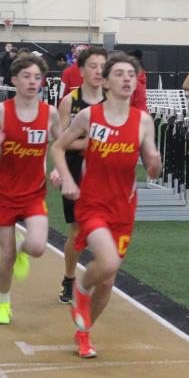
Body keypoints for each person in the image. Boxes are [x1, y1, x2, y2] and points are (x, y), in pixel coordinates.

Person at [51, 52, 162, 358]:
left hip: (123, 208)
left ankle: (84, 332)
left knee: (108, 281)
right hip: (92, 204)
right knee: (109, 263)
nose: (127, 79)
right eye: (120, 74)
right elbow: (58, 147)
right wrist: (67, 179)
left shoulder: (143, 121)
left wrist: (155, 164)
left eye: (131, 75)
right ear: (107, 82)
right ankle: (80, 289)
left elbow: (152, 164)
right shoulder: (89, 116)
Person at [0, 54, 60, 325]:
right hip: (4, 192)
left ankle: (24, 249)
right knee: (7, 256)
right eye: (26, 76)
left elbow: (61, 144)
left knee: (37, 247)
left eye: (37, 77)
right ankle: (3, 302)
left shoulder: (50, 113)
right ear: (14, 80)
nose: (32, 82)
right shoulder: (1, 111)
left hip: (34, 191)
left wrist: (59, 169)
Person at [55, 46, 107, 305]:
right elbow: (61, 142)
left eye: (102, 67)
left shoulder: (113, 100)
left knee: (103, 230)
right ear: (82, 70)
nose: (98, 71)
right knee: (77, 231)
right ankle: (69, 277)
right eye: (93, 66)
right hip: (75, 169)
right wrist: (88, 144)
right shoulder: (70, 101)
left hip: (105, 172)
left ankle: (98, 280)